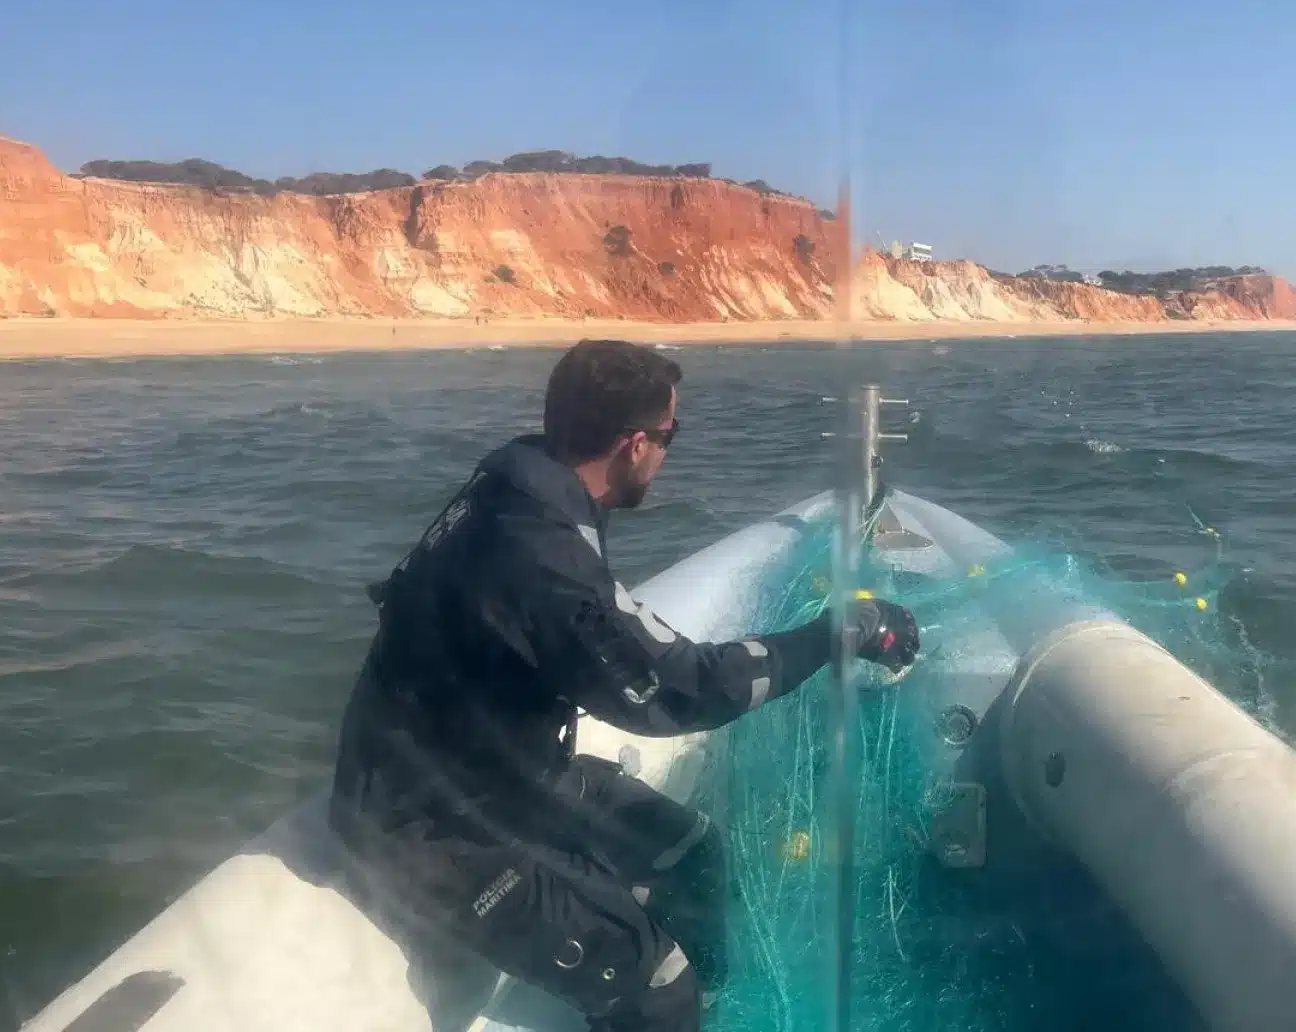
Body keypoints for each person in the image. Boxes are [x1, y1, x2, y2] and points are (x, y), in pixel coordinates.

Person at [328, 339, 920, 1032]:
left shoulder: (523, 483)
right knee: (657, 991)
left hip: (499, 774)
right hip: (426, 823)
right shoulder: (542, 553)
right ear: (634, 445)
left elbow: (591, 635)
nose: (670, 453)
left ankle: (706, 1013)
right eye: (672, 435)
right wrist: (836, 634)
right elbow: (675, 693)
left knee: (692, 855)